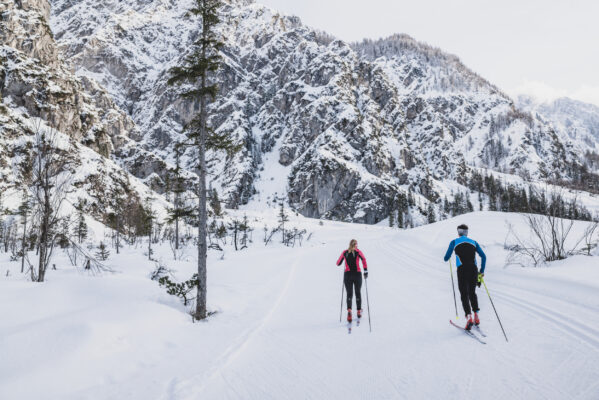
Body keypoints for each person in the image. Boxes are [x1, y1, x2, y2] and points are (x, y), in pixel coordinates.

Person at [443, 224, 486, 330]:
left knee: (464, 294)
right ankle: (476, 316)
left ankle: (469, 317)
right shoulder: (474, 242)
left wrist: (450, 255)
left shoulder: (454, 242)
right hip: (474, 269)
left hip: (462, 270)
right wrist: (482, 271)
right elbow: (484, 256)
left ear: (458, 232)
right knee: (472, 293)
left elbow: (446, 258)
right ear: (467, 232)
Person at [336, 239, 368, 322]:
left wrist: (344, 260)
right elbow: (364, 259)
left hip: (348, 275)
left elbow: (338, 263)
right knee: (358, 292)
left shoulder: (345, 252)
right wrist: (365, 271)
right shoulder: (358, 252)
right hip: (357, 275)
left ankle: (349, 311)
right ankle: (358, 311)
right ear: (356, 245)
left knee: (349, 294)